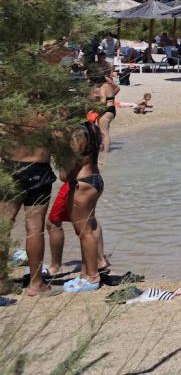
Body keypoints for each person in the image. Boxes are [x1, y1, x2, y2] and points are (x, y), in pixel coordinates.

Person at [2, 124, 55, 296]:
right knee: (34, 227)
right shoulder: (47, 100)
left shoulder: (7, 97)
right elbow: (61, 135)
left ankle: (1, 281)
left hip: (10, 165)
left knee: (3, 226)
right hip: (38, 166)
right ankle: (36, 283)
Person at [61, 117, 104, 293]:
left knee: (84, 231)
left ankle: (92, 277)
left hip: (83, 182)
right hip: (95, 178)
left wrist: (64, 170)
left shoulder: (77, 134)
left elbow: (69, 167)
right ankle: (86, 273)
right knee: (87, 229)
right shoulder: (92, 128)